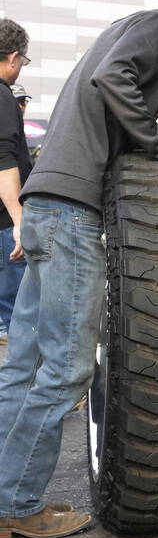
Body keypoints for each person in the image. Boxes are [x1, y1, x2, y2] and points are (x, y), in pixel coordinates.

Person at [0, 0, 158, 538]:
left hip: (44, 207)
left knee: (24, 365)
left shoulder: (132, 34)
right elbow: (114, 79)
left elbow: (110, 106)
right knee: (66, 371)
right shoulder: (157, 26)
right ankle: (15, 505)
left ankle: (3, 493)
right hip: (69, 217)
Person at [0, 22, 33, 347]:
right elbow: (4, 161)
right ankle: (22, 396)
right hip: (4, 225)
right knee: (19, 322)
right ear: (13, 57)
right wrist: (19, 221)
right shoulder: (3, 97)